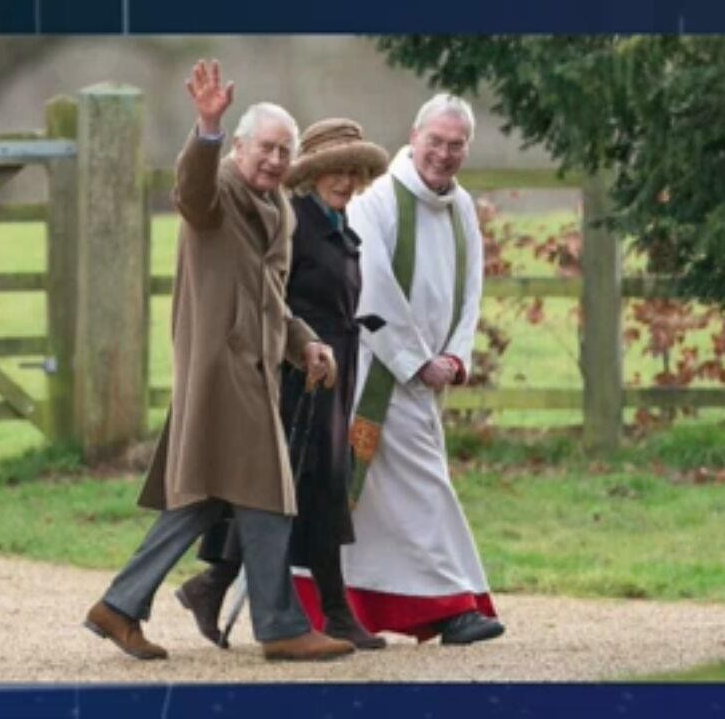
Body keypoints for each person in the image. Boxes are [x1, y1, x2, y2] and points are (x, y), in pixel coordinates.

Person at [82, 59, 354, 662]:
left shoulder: (280, 207)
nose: (275, 160)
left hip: (256, 370)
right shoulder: (219, 191)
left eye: (284, 151)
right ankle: (280, 626)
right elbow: (191, 191)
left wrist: (305, 342)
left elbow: (271, 299)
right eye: (265, 148)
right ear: (239, 147)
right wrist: (205, 129)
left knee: (206, 497)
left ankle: (120, 605)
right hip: (221, 371)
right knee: (269, 493)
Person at [174, 118, 390, 651]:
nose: (345, 181)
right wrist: (298, 347)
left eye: (354, 172)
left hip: (333, 367)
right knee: (300, 486)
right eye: (335, 171)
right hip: (296, 373)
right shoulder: (297, 222)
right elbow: (270, 294)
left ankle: (214, 584)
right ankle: (331, 611)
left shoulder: (339, 223)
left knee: (311, 486)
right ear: (312, 174)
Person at [338, 94, 505, 645]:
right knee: (423, 488)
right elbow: (370, 287)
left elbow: (470, 288)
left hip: (429, 377)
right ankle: (453, 607)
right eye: (435, 141)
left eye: (456, 145)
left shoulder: (461, 207)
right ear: (414, 137)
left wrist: (456, 356)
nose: (444, 153)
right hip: (378, 373)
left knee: (379, 504)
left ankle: (341, 607)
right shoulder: (377, 201)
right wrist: (416, 361)